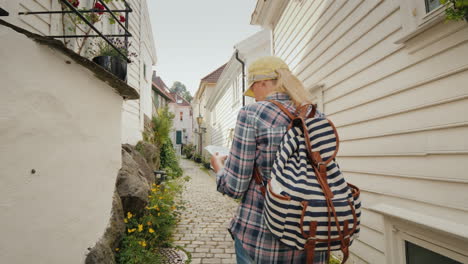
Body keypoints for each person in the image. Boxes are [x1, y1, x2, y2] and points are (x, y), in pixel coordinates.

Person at [210, 56, 327, 264]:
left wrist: (219, 168)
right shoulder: (316, 115)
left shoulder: (252, 114)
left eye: (253, 89)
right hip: (312, 236)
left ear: (263, 83)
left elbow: (235, 187)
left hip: (262, 237)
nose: (254, 97)